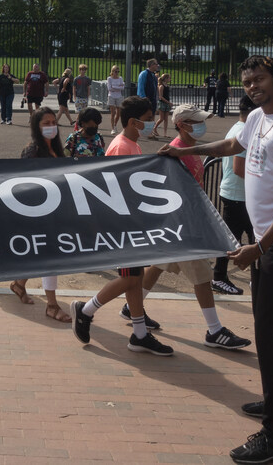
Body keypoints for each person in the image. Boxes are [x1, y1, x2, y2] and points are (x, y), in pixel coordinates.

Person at [158, 56, 273, 464]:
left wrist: (263, 244)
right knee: (268, 327)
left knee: (269, 333)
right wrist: (185, 149)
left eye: (260, 79)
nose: (252, 85)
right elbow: (232, 145)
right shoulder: (257, 118)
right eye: (247, 81)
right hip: (268, 241)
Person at [134, 104, 251, 351]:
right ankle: (215, 330)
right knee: (202, 277)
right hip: (183, 225)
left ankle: (128, 306)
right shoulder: (175, 151)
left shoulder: (188, 149)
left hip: (182, 223)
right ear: (181, 125)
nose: (201, 125)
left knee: (158, 265)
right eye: (196, 121)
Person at [71, 96, 174, 356]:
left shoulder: (131, 145)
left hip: (130, 222)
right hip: (122, 224)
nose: (152, 124)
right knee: (130, 279)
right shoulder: (121, 147)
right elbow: (112, 188)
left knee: (135, 279)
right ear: (133, 121)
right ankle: (86, 310)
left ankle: (139, 334)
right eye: (149, 120)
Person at [11, 107, 73, 323]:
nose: (50, 126)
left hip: (56, 211)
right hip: (38, 213)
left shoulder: (57, 149)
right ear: (36, 128)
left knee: (39, 254)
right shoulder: (32, 150)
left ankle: (19, 283)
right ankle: (52, 305)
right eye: (45, 123)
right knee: (49, 258)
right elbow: (22, 183)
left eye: (52, 122)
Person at [213, 95, 256, 296]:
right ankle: (221, 277)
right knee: (253, 240)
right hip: (240, 195)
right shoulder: (245, 132)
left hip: (235, 193)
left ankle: (221, 276)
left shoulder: (238, 128)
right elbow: (240, 168)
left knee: (233, 240)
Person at [106, 65, 124, 134]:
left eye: (118, 71)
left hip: (119, 96)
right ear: (112, 71)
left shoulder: (120, 78)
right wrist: (118, 87)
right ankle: (112, 128)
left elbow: (122, 88)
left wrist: (115, 87)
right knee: (113, 113)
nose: (117, 73)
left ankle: (115, 125)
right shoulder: (109, 78)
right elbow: (109, 88)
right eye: (115, 71)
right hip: (111, 96)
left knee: (118, 113)